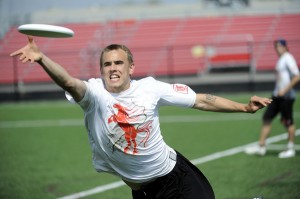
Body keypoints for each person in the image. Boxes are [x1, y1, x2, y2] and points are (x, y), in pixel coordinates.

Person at [10, 36, 271, 199]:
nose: (113, 68)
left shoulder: (150, 88)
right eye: (107, 64)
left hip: (175, 178)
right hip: (143, 192)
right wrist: (42, 59)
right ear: (101, 70)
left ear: (131, 67)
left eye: (119, 63)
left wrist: (244, 108)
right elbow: (69, 82)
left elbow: (201, 100)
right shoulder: (94, 95)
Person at [245, 39, 300, 158]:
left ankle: (290, 148)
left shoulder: (288, 58)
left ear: (285, 47)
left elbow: (297, 77)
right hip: (277, 96)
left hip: (286, 97)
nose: (277, 48)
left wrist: (285, 90)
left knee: (288, 121)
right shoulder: (281, 60)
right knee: (266, 118)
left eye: (279, 46)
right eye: (276, 46)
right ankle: (261, 147)